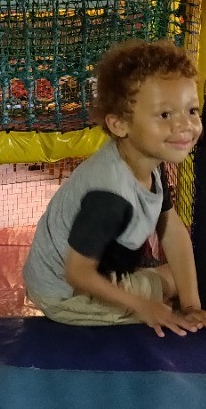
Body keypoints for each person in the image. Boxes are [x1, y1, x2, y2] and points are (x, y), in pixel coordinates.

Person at [23, 39, 206, 338]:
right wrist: (145, 307)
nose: (185, 125)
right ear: (120, 125)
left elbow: (172, 230)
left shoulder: (149, 159)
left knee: (180, 281)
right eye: (165, 114)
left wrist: (191, 305)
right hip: (67, 294)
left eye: (192, 110)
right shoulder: (110, 194)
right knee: (165, 300)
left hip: (92, 272)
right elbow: (78, 273)